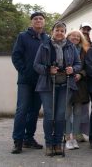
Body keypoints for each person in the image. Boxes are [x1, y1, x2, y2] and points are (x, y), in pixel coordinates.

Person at [33, 21, 81, 156]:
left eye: (62, 31)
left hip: (65, 86)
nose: (59, 33)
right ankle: (49, 144)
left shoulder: (71, 46)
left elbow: (78, 64)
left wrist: (73, 69)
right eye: (57, 30)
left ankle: (58, 144)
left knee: (60, 116)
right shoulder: (44, 45)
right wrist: (48, 70)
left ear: (65, 33)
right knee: (49, 115)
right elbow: (36, 65)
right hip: (48, 85)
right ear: (52, 32)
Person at [11, 12, 49, 154]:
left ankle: (28, 138)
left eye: (40, 18)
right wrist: (25, 71)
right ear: (31, 22)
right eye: (35, 19)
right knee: (22, 110)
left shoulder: (47, 38)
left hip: (41, 81)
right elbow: (16, 56)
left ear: (44, 22)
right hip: (25, 81)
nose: (38, 20)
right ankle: (17, 141)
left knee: (34, 111)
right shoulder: (23, 36)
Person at [65, 30, 90, 150]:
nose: (75, 38)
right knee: (67, 113)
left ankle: (74, 137)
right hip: (66, 84)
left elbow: (88, 67)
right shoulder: (63, 49)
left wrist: (80, 74)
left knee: (78, 113)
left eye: (77, 37)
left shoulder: (84, 51)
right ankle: (67, 138)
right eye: (72, 36)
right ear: (68, 37)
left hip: (80, 86)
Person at [78, 22, 92, 142]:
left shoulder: (91, 46)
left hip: (87, 81)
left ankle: (81, 132)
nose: (85, 32)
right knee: (73, 108)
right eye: (83, 30)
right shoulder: (76, 46)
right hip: (77, 80)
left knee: (84, 108)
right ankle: (71, 132)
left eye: (88, 30)